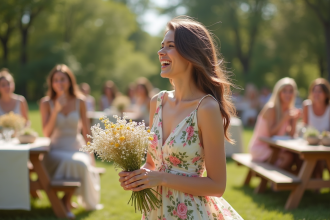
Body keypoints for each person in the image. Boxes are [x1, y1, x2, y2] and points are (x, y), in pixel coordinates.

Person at [118, 17, 243, 220]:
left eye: (170, 46)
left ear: (191, 54)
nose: (161, 52)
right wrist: (137, 177)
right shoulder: (157, 102)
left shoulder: (206, 108)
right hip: (155, 212)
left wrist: (161, 178)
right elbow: (152, 164)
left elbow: (217, 186)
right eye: (161, 46)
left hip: (191, 213)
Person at [40, 64, 101, 215]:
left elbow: (86, 130)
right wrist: (56, 110)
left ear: (70, 81)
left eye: (63, 79)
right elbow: (46, 133)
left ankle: (65, 201)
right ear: (51, 83)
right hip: (56, 149)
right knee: (76, 163)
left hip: (76, 147)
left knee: (81, 162)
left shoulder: (80, 101)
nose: (59, 83)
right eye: (56, 80)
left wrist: (91, 153)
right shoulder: (46, 103)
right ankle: (65, 202)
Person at [249, 77, 300, 170]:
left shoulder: (289, 110)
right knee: (288, 157)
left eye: (291, 91)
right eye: (284, 91)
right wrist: (285, 118)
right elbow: (270, 134)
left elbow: (292, 135)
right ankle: (275, 184)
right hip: (261, 147)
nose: (288, 94)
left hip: (276, 148)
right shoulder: (271, 108)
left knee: (298, 156)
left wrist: (295, 120)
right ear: (278, 92)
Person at [302, 78, 330, 179]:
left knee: (322, 158)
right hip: (309, 143)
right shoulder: (307, 105)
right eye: (314, 90)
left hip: (325, 145)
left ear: (326, 94)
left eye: (320, 91)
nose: (316, 94)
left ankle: (317, 183)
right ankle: (315, 183)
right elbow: (304, 126)